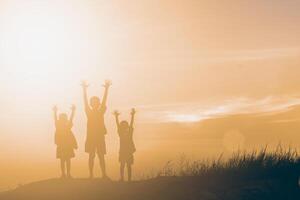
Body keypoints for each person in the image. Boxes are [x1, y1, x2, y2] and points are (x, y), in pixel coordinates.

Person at [81, 80, 111, 179]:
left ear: (98, 104)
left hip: (98, 136)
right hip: (92, 137)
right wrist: (84, 89)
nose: (95, 103)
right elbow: (85, 101)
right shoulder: (90, 112)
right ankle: (92, 175)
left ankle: (102, 174)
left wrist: (106, 89)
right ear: (92, 104)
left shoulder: (98, 111)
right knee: (92, 156)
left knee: (100, 156)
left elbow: (104, 100)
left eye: (96, 102)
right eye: (93, 102)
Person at [53, 105, 78, 179]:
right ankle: (66, 174)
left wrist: (55, 111)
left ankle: (65, 174)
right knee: (66, 160)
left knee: (64, 160)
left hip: (64, 145)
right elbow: (71, 119)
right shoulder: (65, 126)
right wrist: (73, 111)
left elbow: (70, 119)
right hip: (65, 145)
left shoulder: (61, 126)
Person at [113, 108, 136, 182]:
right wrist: (132, 115)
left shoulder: (124, 133)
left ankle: (126, 179)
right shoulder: (127, 133)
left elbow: (130, 124)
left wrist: (132, 116)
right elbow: (119, 125)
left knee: (125, 165)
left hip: (125, 151)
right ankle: (126, 179)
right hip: (126, 151)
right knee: (125, 165)